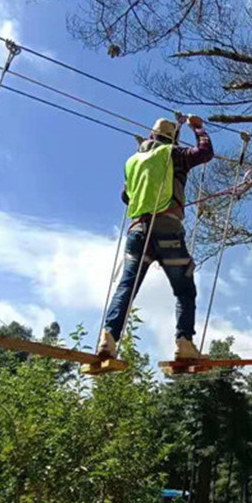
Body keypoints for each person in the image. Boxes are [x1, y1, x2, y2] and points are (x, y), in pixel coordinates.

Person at [97, 115, 213, 361]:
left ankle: (108, 337)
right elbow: (205, 153)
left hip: (138, 231)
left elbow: (126, 196)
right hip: (167, 230)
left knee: (127, 285)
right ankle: (184, 342)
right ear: (172, 139)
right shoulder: (174, 154)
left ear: (151, 135)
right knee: (184, 288)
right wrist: (198, 128)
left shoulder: (133, 161)